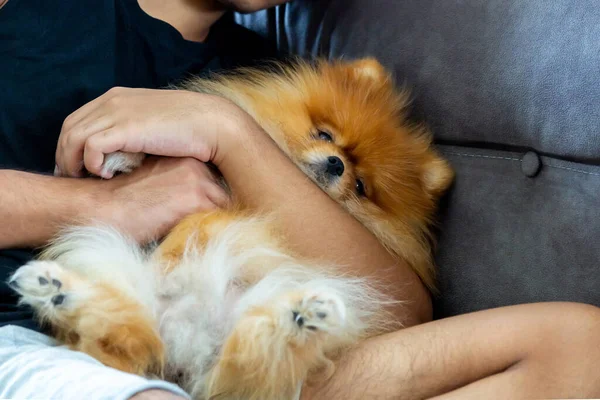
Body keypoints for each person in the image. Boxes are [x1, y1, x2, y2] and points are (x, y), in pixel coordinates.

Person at [0, 1, 599, 399]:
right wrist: (98, 209)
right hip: (32, 334)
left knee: (579, 348)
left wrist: (228, 129)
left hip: (247, 354)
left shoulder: (277, 75)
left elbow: (391, 314)